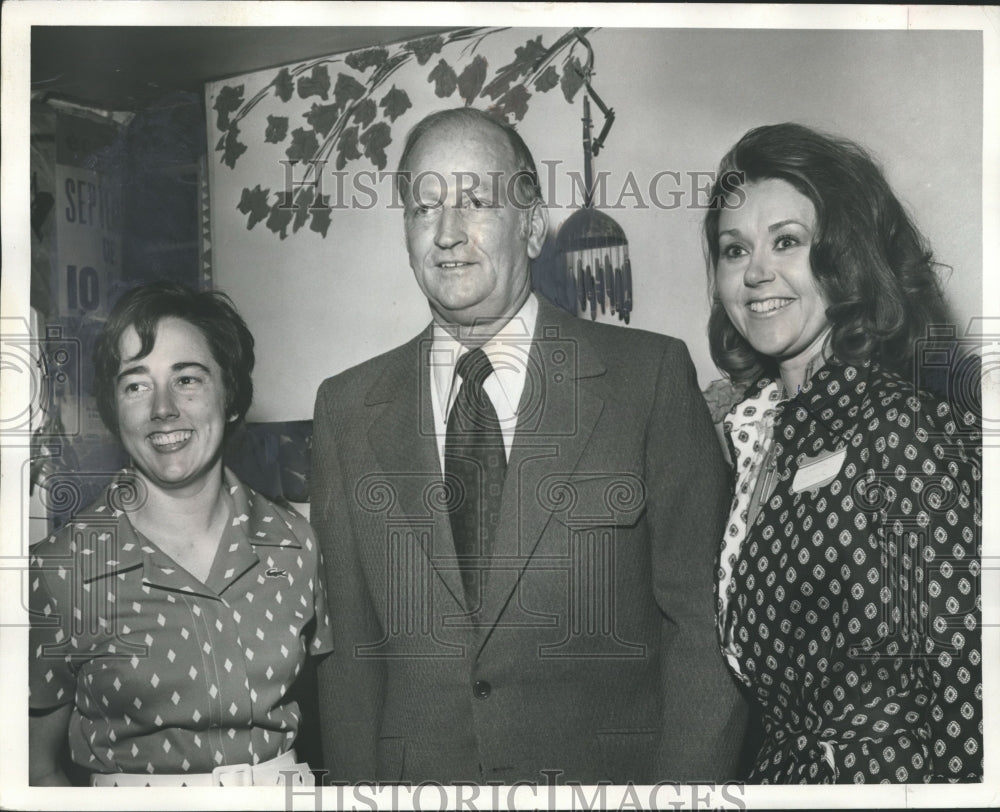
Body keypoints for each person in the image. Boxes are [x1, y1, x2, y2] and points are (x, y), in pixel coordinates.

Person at [311, 107, 747, 784]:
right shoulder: (345, 410)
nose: (448, 233)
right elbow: (350, 667)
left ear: (534, 225)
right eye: (425, 207)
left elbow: (703, 629)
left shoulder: (647, 380)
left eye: (476, 201)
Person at [704, 122, 982, 783]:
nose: (757, 272)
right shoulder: (750, 439)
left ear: (845, 256)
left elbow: (970, 693)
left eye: (788, 242)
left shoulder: (903, 433)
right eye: (734, 249)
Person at [28, 281, 333, 786]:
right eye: (136, 384)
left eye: (187, 379)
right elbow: (36, 770)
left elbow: (335, 717)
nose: (163, 408)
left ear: (230, 396)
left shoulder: (296, 545)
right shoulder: (60, 570)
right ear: (114, 411)